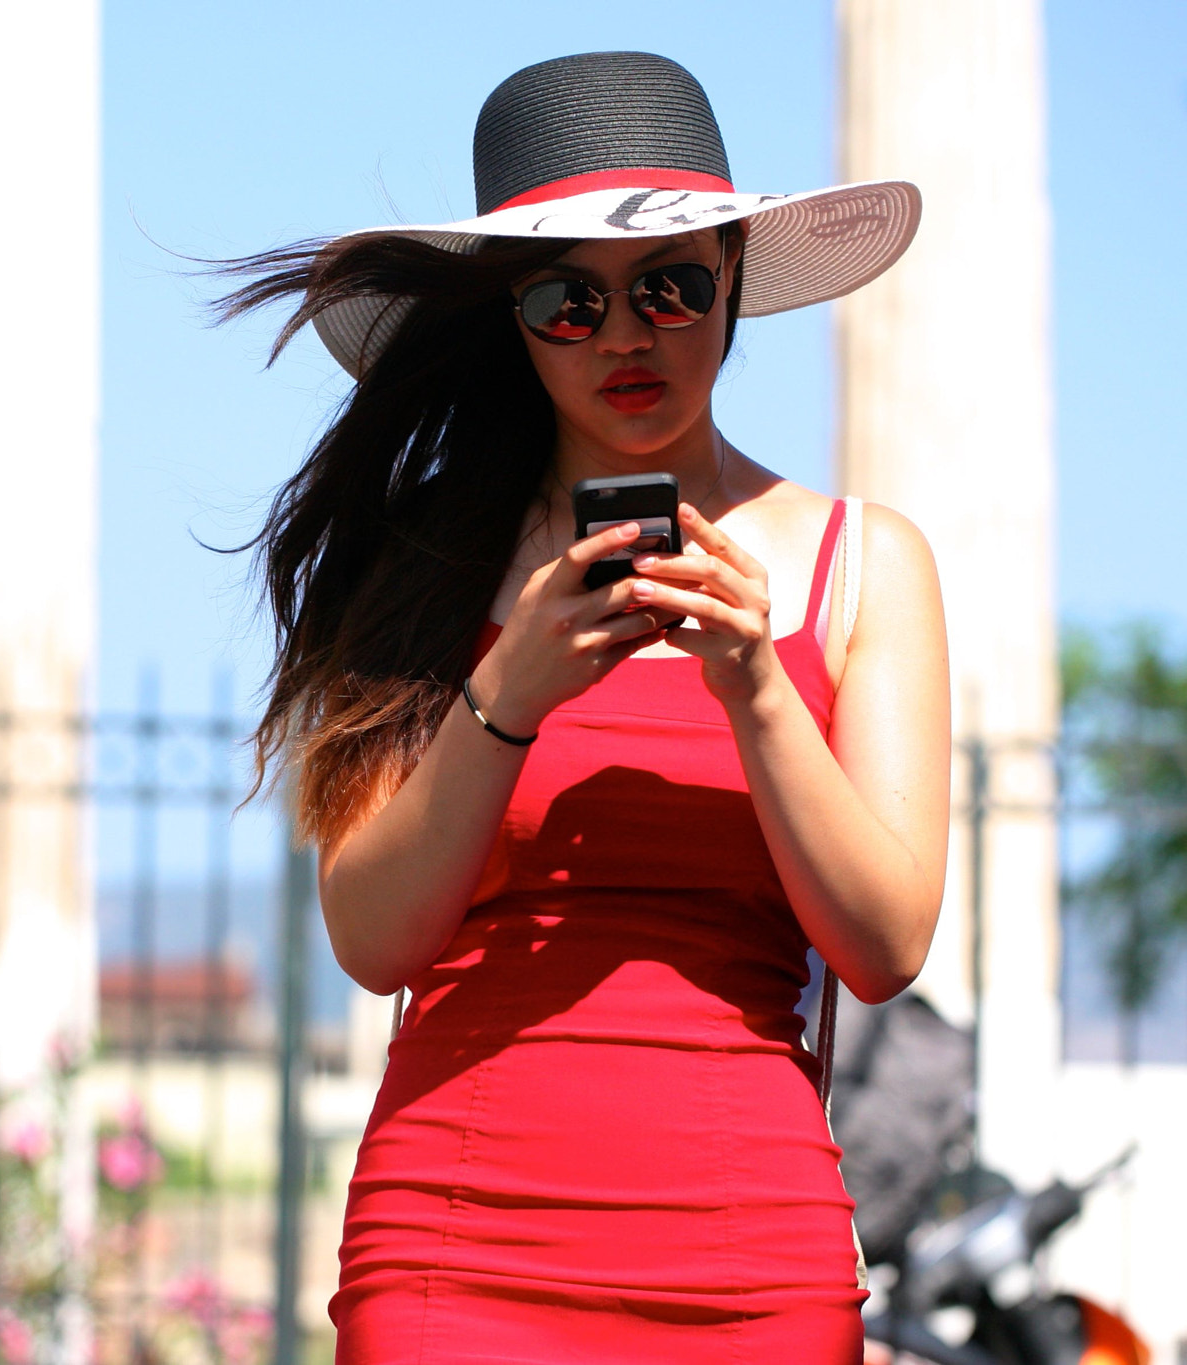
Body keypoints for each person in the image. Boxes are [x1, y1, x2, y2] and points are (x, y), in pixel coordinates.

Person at [219, 52, 951, 1363]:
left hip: (750, 1257)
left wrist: (757, 690)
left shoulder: (863, 564)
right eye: (569, 300)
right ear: (513, 316)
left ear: (729, 276)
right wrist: (511, 687)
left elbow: (886, 944)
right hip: (455, 1249)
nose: (626, 336)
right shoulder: (424, 564)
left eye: (668, 286)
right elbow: (375, 938)